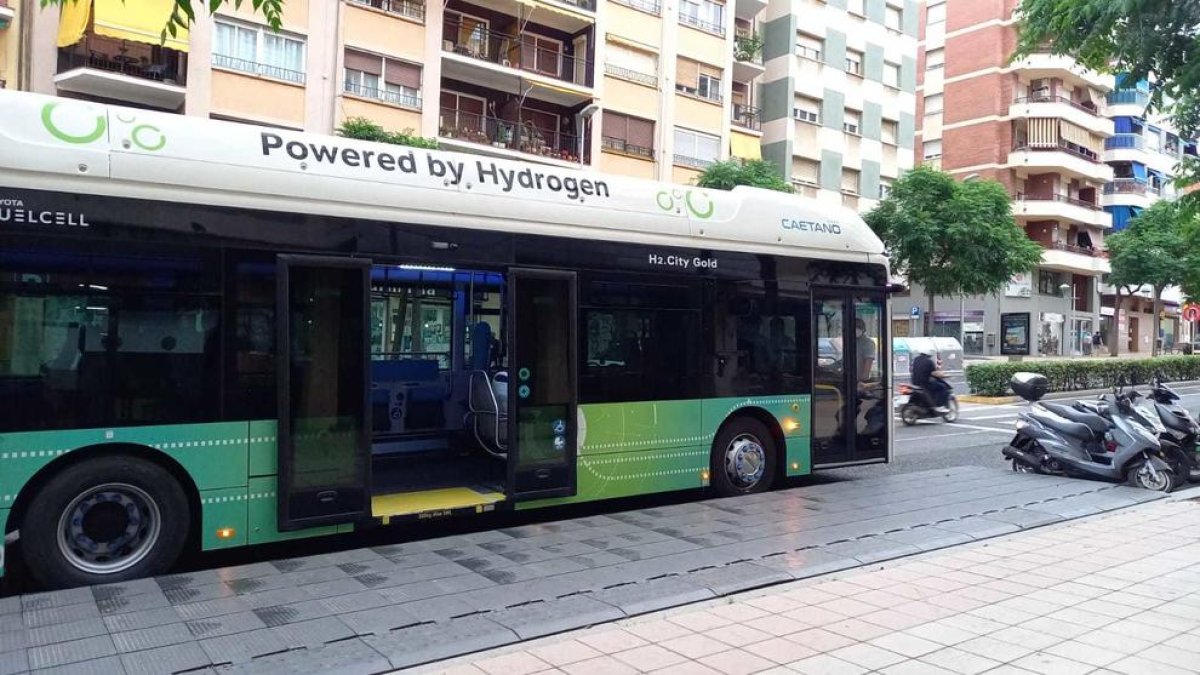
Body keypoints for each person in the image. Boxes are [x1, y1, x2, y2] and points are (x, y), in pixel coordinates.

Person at [911, 348, 951, 413]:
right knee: (942, 387)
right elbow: (935, 373)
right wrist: (944, 375)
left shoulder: (916, 359)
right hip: (925, 384)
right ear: (928, 354)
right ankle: (939, 406)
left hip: (915, 383)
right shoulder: (929, 362)